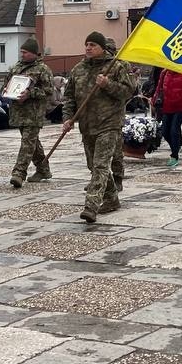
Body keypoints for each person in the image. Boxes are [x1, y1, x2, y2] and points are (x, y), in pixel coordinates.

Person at [61, 31, 133, 223]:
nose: (88, 48)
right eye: (87, 44)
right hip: (87, 125)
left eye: (93, 45)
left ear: (102, 47)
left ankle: (91, 206)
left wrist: (108, 84)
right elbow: (69, 97)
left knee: (101, 164)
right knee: (93, 165)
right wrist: (68, 118)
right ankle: (111, 198)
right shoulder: (78, 69)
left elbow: (128, 92)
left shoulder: (116, 67)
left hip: (109, 123)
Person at [7, 38, 55, 187]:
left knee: (27, 143)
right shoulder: (16, 67)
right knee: (32, 142)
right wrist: (6, 90)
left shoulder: (42, 69)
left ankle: (19, 173)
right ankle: (43, 169)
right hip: (19, 111)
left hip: (34, 113)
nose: (22, 55)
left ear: (34, 53)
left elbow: (48, 91)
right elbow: (8, 83)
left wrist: (30, 93)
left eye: (25, 52)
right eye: (21, 52)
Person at [155, 65, 182, 164]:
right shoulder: (164, 73)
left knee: (174, 130)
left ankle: (174, 155)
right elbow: (159, 88)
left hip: (179, 107)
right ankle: (176, 146)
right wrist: (154, 100)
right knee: (165, 131)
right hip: (167, 107)